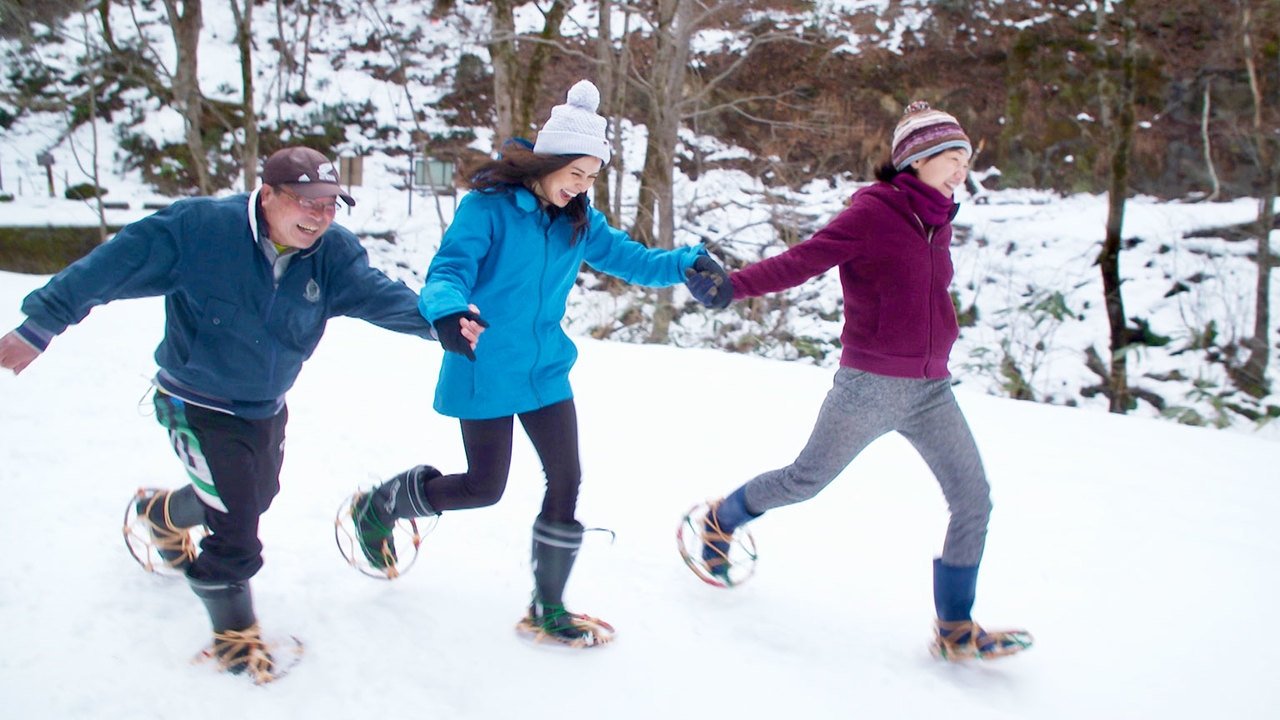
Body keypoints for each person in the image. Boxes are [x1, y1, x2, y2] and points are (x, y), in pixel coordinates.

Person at [0, 146, 485, 682]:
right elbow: (107, 269)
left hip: (263, 405)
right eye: (307, 203)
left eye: (331, 205)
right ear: (270, 194)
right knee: (237, 523)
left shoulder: (333, 255)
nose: (320, 217)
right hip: (195, 399)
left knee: (257, 495)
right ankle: (234, 636)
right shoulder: (198, 230)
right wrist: (38, 327)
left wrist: (440, 324)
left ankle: (162, 517)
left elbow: (380, 296)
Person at [349, 80, 729, 647]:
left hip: (546, 368)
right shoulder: (489, 210)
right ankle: (381, 507)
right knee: (483, 486)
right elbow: (447, 271)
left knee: (567, 477)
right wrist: (450, 313)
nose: (580, 186)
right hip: (482, 361)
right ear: (547, 162)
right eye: (574, 173)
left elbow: (633, 260)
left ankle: (548, 607)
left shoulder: (577, 219)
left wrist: (687, 263)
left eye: (591, 177)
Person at [684, 102, 1032, 661]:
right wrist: (733, 287)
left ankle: (955, 629)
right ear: (915, 161)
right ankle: (721, 520)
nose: (960, 169)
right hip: (868, 385)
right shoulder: (872, 215)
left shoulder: (937, 219)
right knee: (805, 481)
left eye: (965, 158)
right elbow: (803, 261)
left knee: (974, 499)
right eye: (949, 157)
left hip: (930, 390)